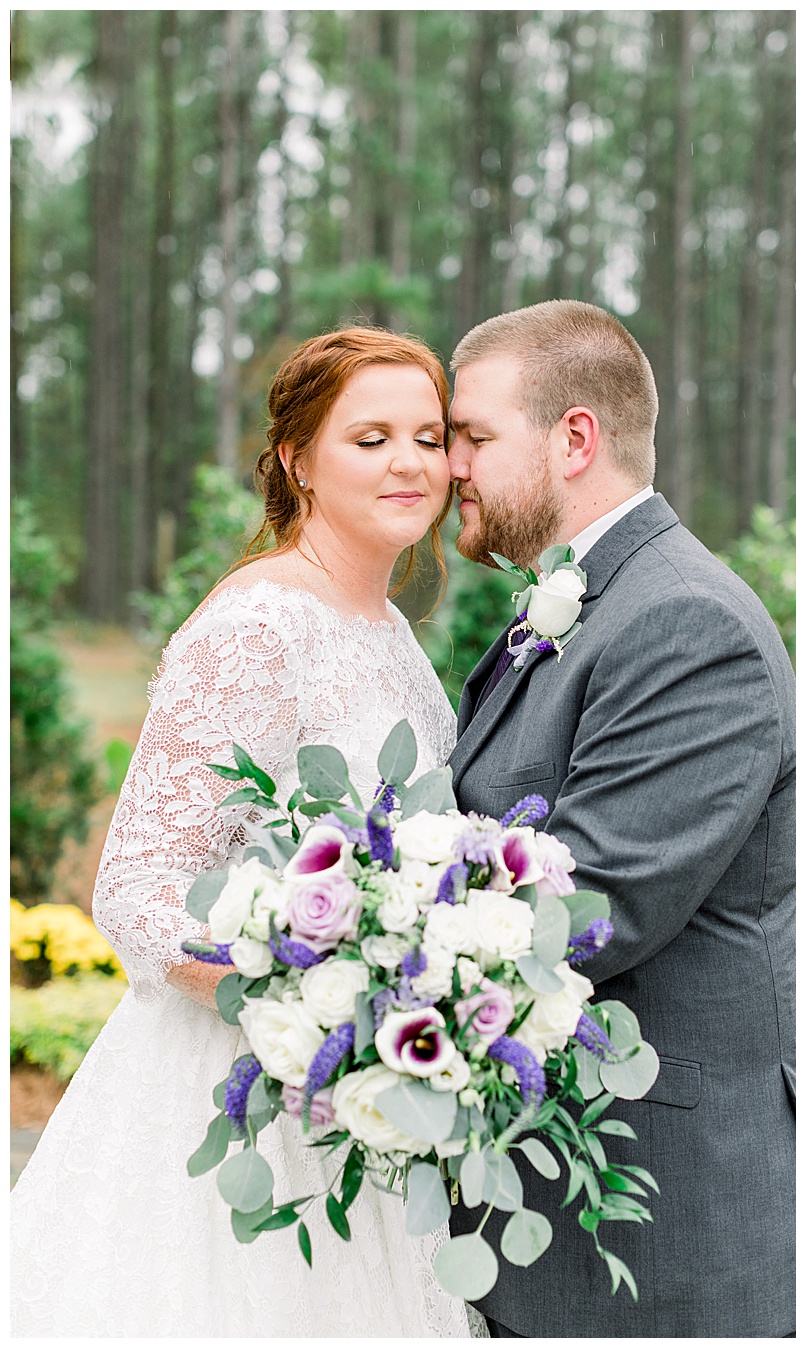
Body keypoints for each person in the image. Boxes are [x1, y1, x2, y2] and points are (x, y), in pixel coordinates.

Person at [11, 329, 473, 1335]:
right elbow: (134, 884)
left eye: (429, 436)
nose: (411, 462)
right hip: (250, 1094)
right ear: (299, 460)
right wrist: (301, 1010)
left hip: (377, 1102)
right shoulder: (258, 624)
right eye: (372, 436)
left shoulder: (388, 629)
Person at [443, 300, 796, 1337]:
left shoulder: (683, 623)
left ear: (573, 437)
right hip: (578, 1222)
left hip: (673, 1233)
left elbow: (585, 907)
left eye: (473, 436)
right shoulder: (586, 603)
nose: (450, 464)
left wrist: (345, 940)